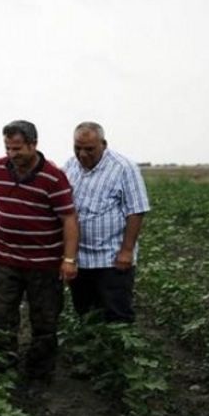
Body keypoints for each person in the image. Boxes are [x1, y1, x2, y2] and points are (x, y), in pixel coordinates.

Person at [0, 120, 78, 382]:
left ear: (33, 145)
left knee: (45, 318)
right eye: (8, 148)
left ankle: (39, 372)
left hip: (43, 261)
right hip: (5, 257)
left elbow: (69, 219)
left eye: (17, 149)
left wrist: (68, 259)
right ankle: (3, 363)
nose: (12, 155)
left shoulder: (53, 177)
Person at [63, 121, 150, 323]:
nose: (83, 154)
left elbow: (136, 210)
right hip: (81, 259)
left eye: (89, 149)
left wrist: (127, 251)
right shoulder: (69, 166)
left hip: (111, 258)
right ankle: (92, 352)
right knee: (85, 312)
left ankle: (117, 354)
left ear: (103, 144)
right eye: (78, 148)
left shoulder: (123, 168)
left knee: (116, 312)